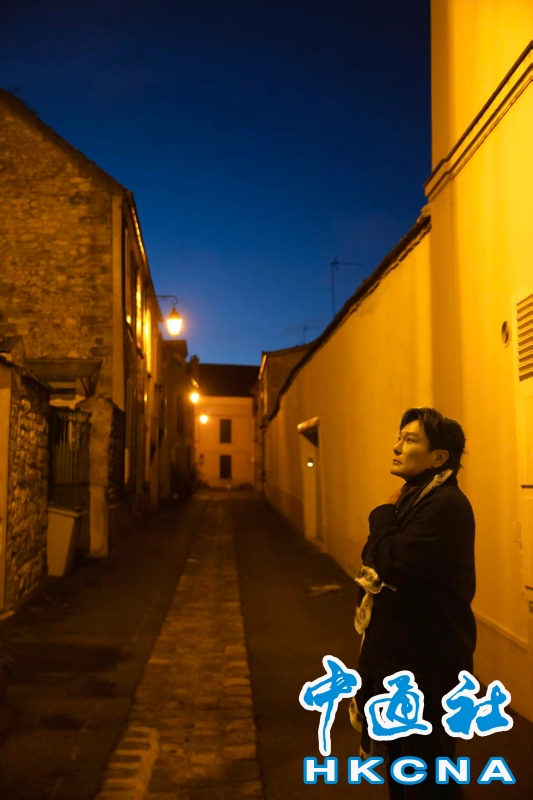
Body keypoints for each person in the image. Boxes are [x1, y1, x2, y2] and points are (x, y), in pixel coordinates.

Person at [353, 407, 476, 799]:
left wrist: (382, 514)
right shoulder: (416, 498)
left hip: (426, 667)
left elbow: (391, 563)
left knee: (428, 776)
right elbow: (375, 556)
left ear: (439, 457)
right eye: (399, 437)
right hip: (399, 663)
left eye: (409, 440)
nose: (396, 447)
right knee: (404, 771)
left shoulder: (444, 505)